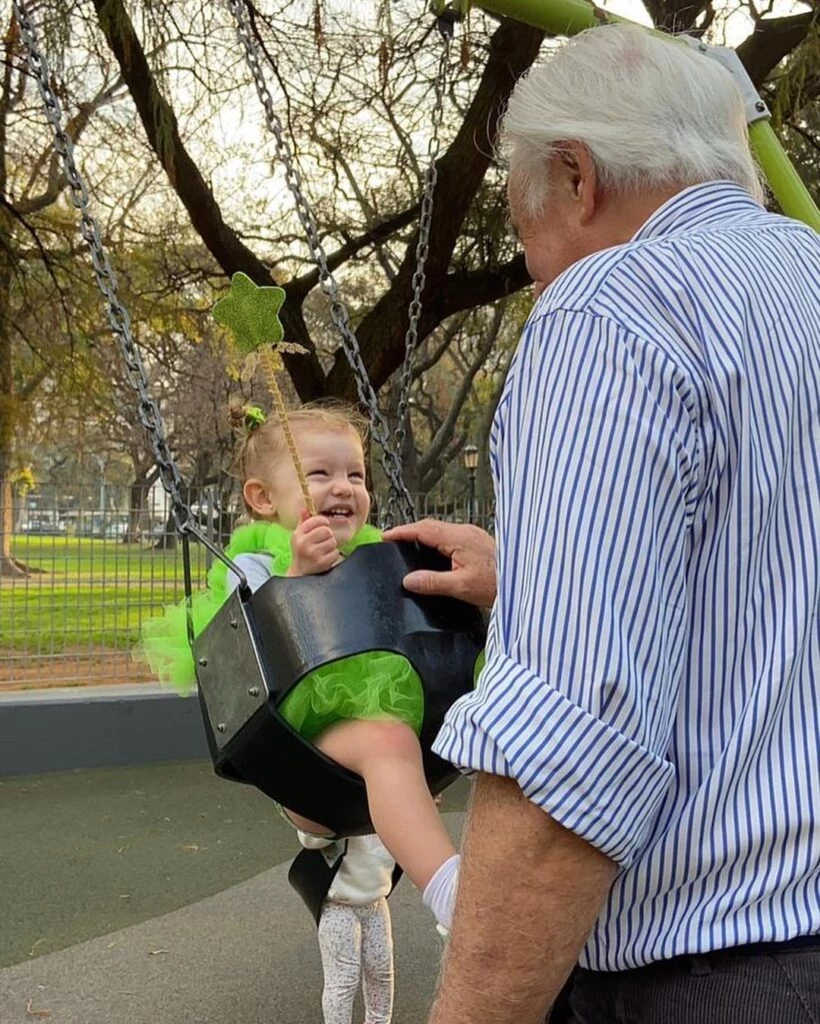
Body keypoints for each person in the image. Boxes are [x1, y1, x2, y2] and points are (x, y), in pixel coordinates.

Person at [385, 22, 820, 1024]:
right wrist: (532, 575)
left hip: (719, 973)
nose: (536, 269)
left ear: (574, 176)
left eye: (522, 225)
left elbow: (574, 748)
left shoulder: (611, 307)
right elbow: (772, 572)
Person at [141, 401, 460, 930]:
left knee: (448, 730)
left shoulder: (373, 548)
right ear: (263, 498)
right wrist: (297, 572)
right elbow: (252, 636)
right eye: (321, 473)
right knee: (388, 742)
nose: (344, 487)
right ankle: (451, 892)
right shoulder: (255, 562)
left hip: (374, 704)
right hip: (299, 737)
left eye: (356, 474)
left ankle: (393, 831)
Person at [297, 830, 396, 1024]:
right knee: (343, 980)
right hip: (339, 904)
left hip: (376, 898)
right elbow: (309, 837)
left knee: (381, 972)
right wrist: (341, 821)